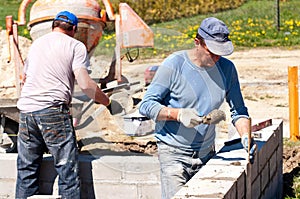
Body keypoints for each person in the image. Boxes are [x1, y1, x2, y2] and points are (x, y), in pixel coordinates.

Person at [139, 17, 255, 199]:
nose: (217, 58)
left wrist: (246, 135)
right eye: (213, 52)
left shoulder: (227, 69)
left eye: (221, 53)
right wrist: (178, 115)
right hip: (173, 154)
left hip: (206, 153)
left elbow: (239, 111)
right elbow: (146, 106)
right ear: (197, 43)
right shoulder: (174, 65)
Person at [15, 11, 119, 199]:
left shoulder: (37, 44)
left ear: (53, 26)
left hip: (26, 111)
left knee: (26, 170)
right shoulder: (75, 46)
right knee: (67, 170)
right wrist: (108, 102)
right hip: (52, 110)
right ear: (74, 29)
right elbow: (86, 85)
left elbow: (25, 78)